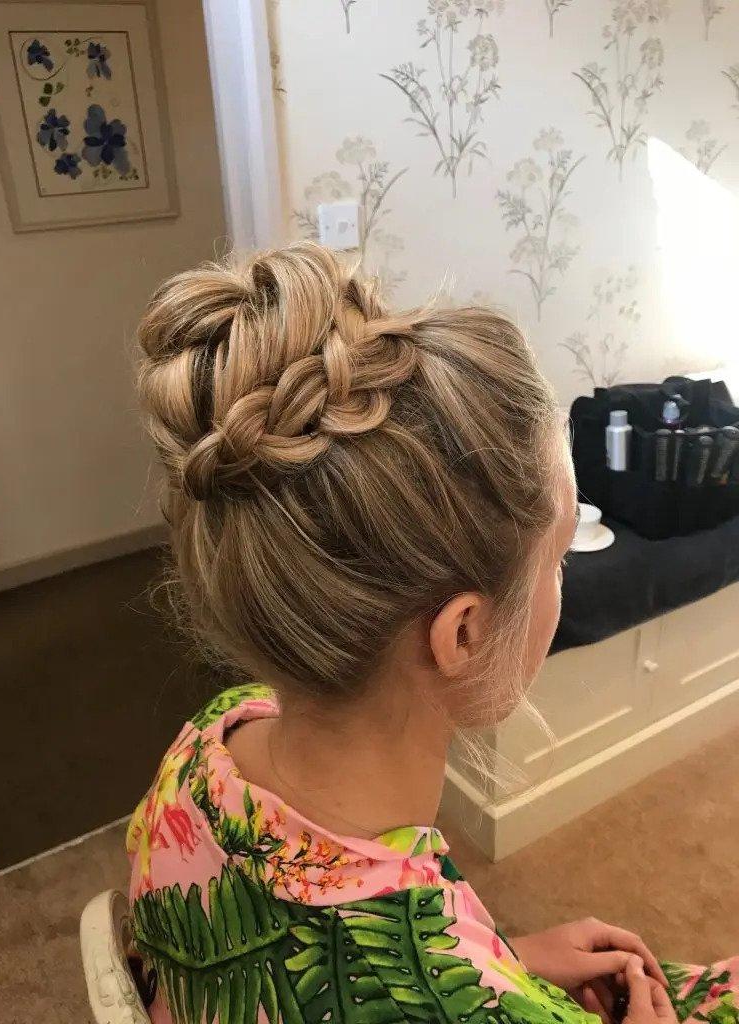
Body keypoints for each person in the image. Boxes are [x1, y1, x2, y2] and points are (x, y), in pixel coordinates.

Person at [126, 242, 738, 1024]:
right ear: (466, 634)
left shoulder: (211, 741)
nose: (561, 582)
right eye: (555, 558)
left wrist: (497, 959)